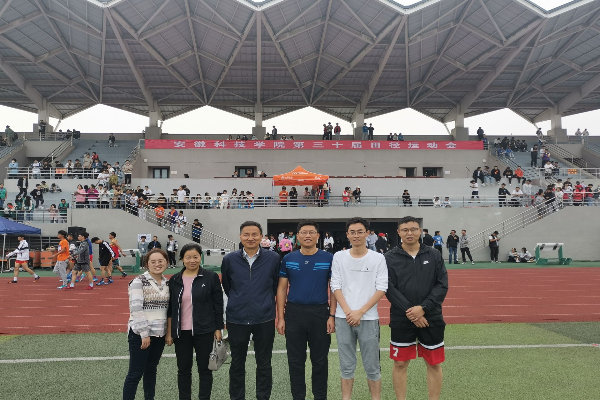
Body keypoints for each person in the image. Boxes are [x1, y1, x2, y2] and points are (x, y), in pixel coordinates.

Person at [385, 216, 448, 400]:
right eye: (405, 230)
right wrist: (412, 313)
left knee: (434, 363)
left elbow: (442, 285)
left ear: (420, 231)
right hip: (401, 318)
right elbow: (389, 288)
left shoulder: (434, 255)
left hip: (431, 317)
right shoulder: (389, 257)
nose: (409, 233)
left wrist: (423, 308)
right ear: (399, 232)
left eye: (413, 229)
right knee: (400, 363)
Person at [276, 220, 335, 400]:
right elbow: (281, 288)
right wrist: (281, 317)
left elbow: (334, 288)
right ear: (297, 236)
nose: (307, 235)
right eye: (303, 232)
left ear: (318, 235)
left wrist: (332, 315)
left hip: (320, 313)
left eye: (311, 232)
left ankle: (320, 397)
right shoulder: (288, 259)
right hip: (294, 314)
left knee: (320, 361)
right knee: (295, 361)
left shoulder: (328, 258)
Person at [221, 221, 280, 400]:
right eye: (246, 234)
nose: (250, 238)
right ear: (240, 237)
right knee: (237, 364)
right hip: (237, 319)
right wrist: (239, 301)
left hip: (264, 318)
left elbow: (275, 285)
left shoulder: (273, 258)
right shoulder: (229, 259)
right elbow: (228, 286)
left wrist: (263, 302)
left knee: (264, 363)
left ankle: (263, 397)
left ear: (261, 237)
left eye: (255, 234)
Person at [331, 217, 387, 400]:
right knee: (346, 365)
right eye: (352, 232)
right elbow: (335, 285)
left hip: (369, 318)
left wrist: (360, 312)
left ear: (367, 233)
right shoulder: (339, 257)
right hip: (343, 318)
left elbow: (382, 288)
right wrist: (349, 312)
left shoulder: (378, 258)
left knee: (372, 366)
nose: (356, 235)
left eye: (360, 232)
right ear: (347, 234)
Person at [165, 243, 224, 400]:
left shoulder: (211, 277)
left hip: (205, 330)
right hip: (181, 332)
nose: (192, 260)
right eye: (188, 257)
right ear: (182, 259)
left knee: (205, 370)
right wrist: (170, 332)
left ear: (200, 257)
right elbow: (171, 308)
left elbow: (218, 304)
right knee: (183, 370)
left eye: (195, 257)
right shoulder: (175, 279)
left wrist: (218, 328)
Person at [122, 249, 169, 400]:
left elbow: (169, 310)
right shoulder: (138, 282)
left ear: (167, 262)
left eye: (160, 261)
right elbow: (136, 309)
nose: (157, 264)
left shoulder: (168, 283)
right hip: (140, 335)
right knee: (135, 373)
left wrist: (168, 333)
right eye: (153, 262)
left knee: (151, 370)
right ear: (147, 264)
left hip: (159, 334)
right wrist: (144, 334)